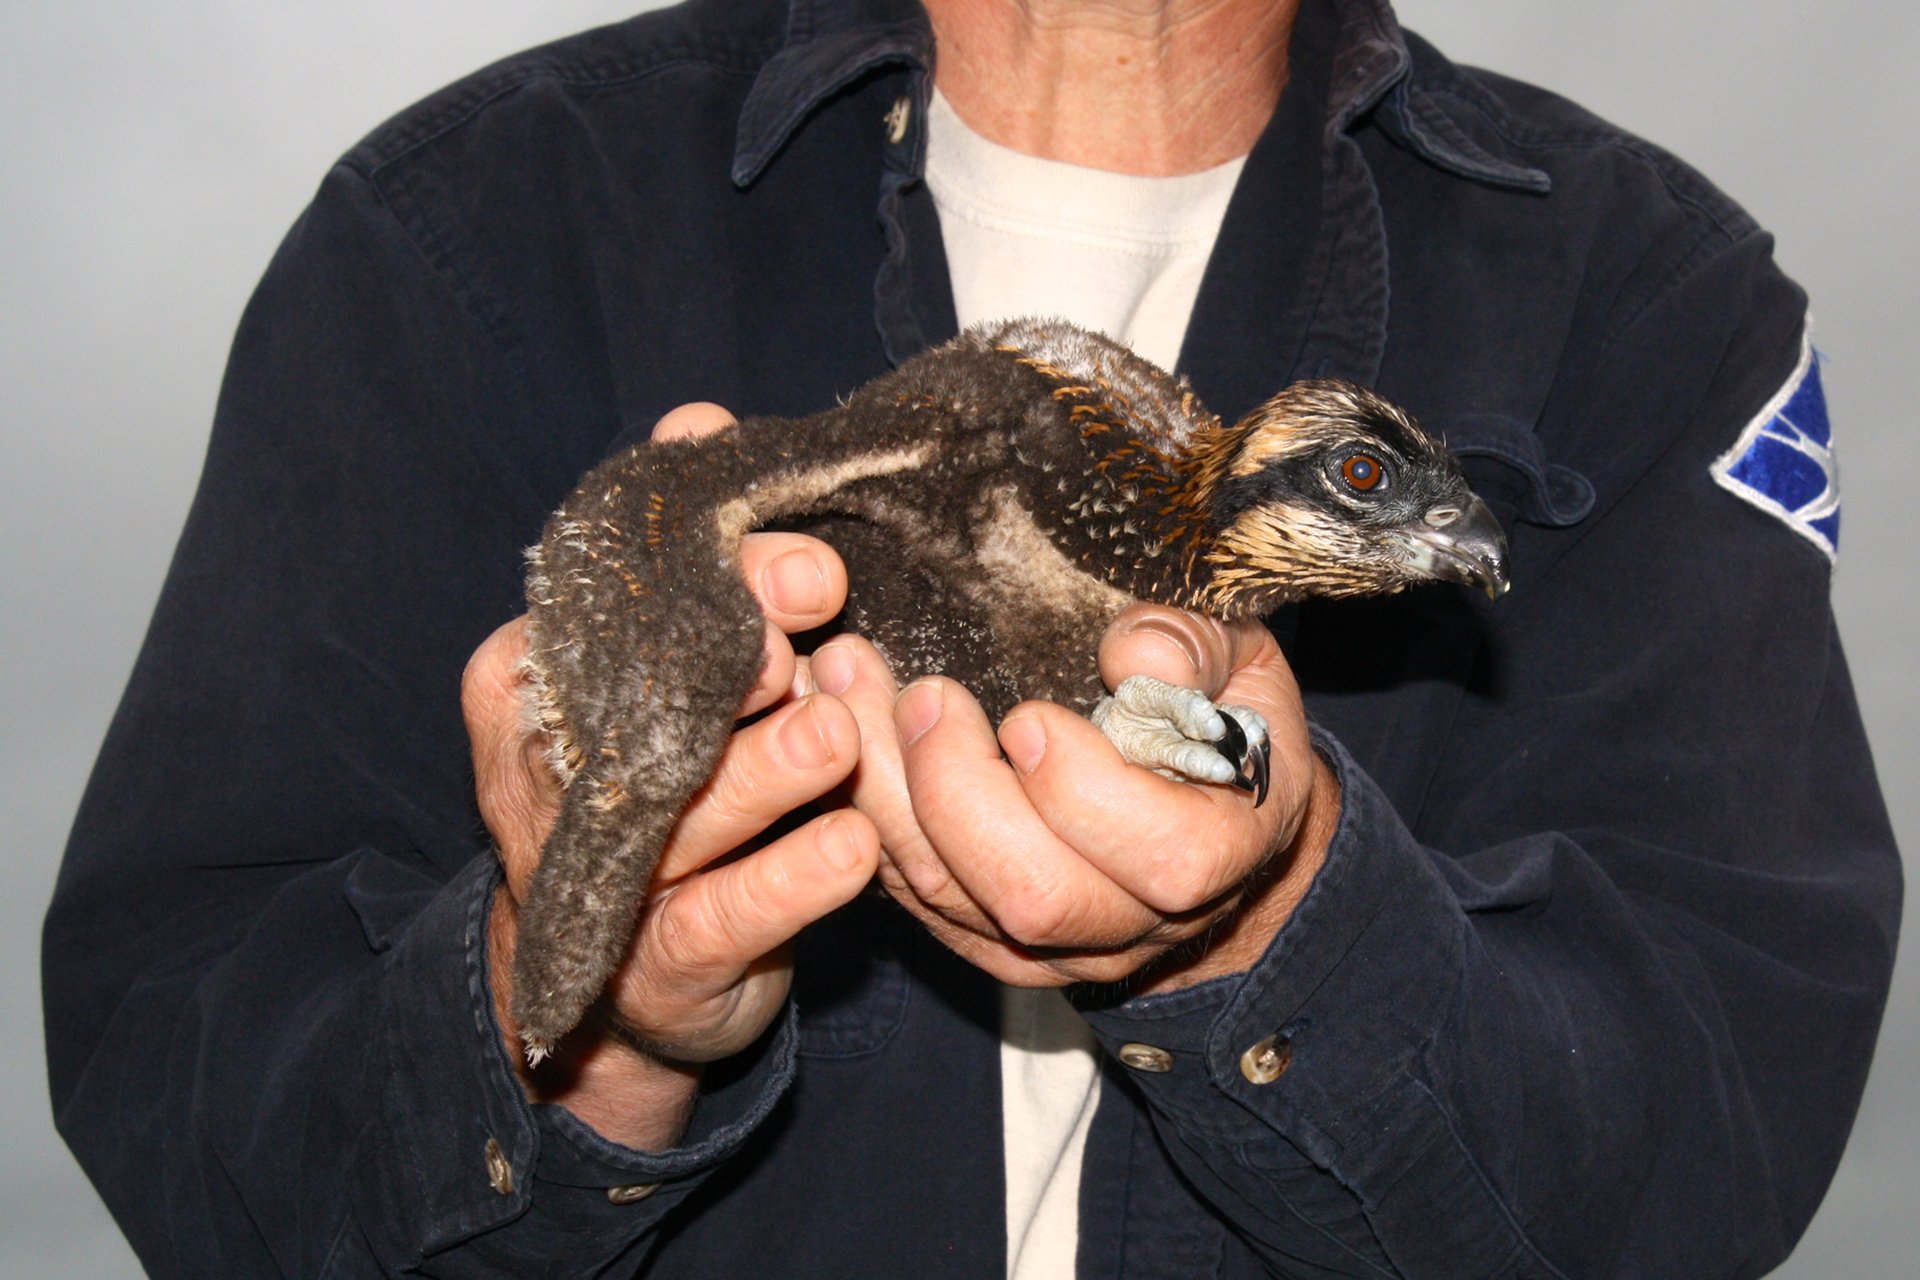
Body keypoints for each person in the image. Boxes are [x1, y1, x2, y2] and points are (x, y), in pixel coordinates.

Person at [43, 0, 1900, 1274]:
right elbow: (187, 1071)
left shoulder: (1657, 304)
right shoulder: (460, 238)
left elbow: (1707, 1138)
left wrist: (1283, 928)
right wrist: (593, 1025)